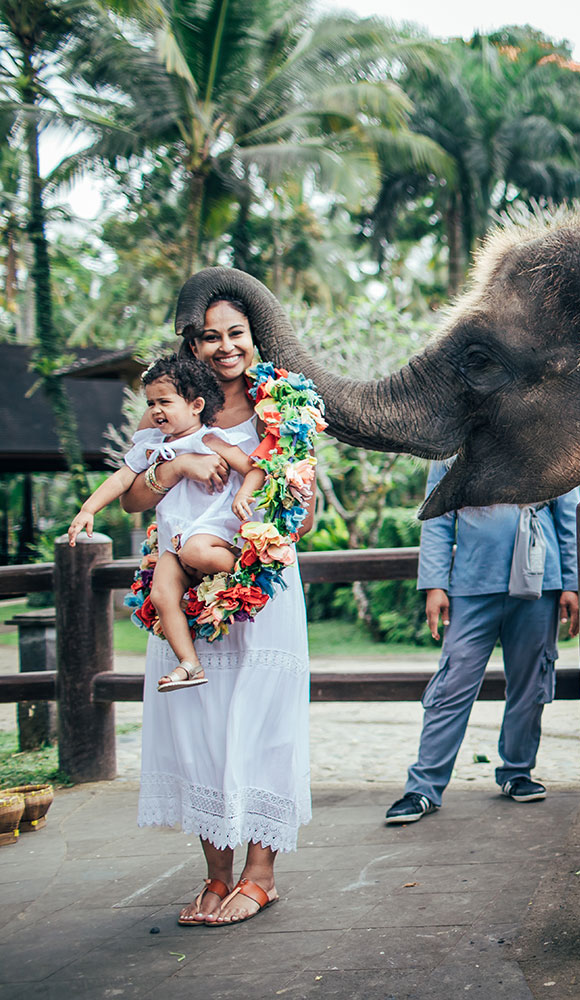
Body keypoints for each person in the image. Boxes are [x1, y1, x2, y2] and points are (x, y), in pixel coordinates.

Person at [120, 294, 314, 926]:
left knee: (263, 723)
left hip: (259, 582)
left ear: (256, 336)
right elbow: (132, 500)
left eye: (236, 333)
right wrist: (177, 466)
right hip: (183, 583)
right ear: (192, 345)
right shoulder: (169, 407)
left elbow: (303, 517)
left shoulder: (282, 407)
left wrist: (286, 495)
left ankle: (261, 876)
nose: (225, 347)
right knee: (198, 722)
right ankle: (216, 876)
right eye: (210, 336)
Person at [384, 463, 579, 823]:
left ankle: (517, 771)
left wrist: (572, 583)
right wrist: (435, 585)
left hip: (541, 579)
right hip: (472, 583)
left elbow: (568, 512)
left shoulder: (550, 436)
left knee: (532, 682)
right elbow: (437, 517)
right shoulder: (451, 447)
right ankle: (423, 787)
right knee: (452, 683)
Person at [68, 355, 267, 691]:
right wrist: (89, 509)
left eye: (165, 402)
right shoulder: (151, 447)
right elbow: (122, 480)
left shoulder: (210, 439)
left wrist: (243, 495)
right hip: (173, 538)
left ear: (196, 405)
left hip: (211, 528)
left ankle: (245, 572)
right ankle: (190, 664)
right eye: (151, 403)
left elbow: (254, 468)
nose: (155, 410)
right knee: (161, 594)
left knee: (196, 551)